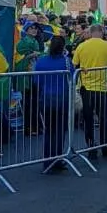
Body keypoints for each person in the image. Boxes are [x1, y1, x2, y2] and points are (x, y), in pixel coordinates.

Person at [72, 24, 107, 155]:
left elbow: (74, 63)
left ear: (91, 33)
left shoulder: (82, 46)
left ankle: (91, 147)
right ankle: (105, 145)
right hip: (102, 87)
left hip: (85, 87)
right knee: (103, 117)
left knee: (88, 118)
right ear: (102, 32)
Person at [33, 36, 73, 172]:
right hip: (62, 98)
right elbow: (72, 78)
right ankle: (57, 158)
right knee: (60, 130)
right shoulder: (66, 61)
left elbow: (36, 81)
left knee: (49, 130)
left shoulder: (41, 61)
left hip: (46, 98)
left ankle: (48, 161)